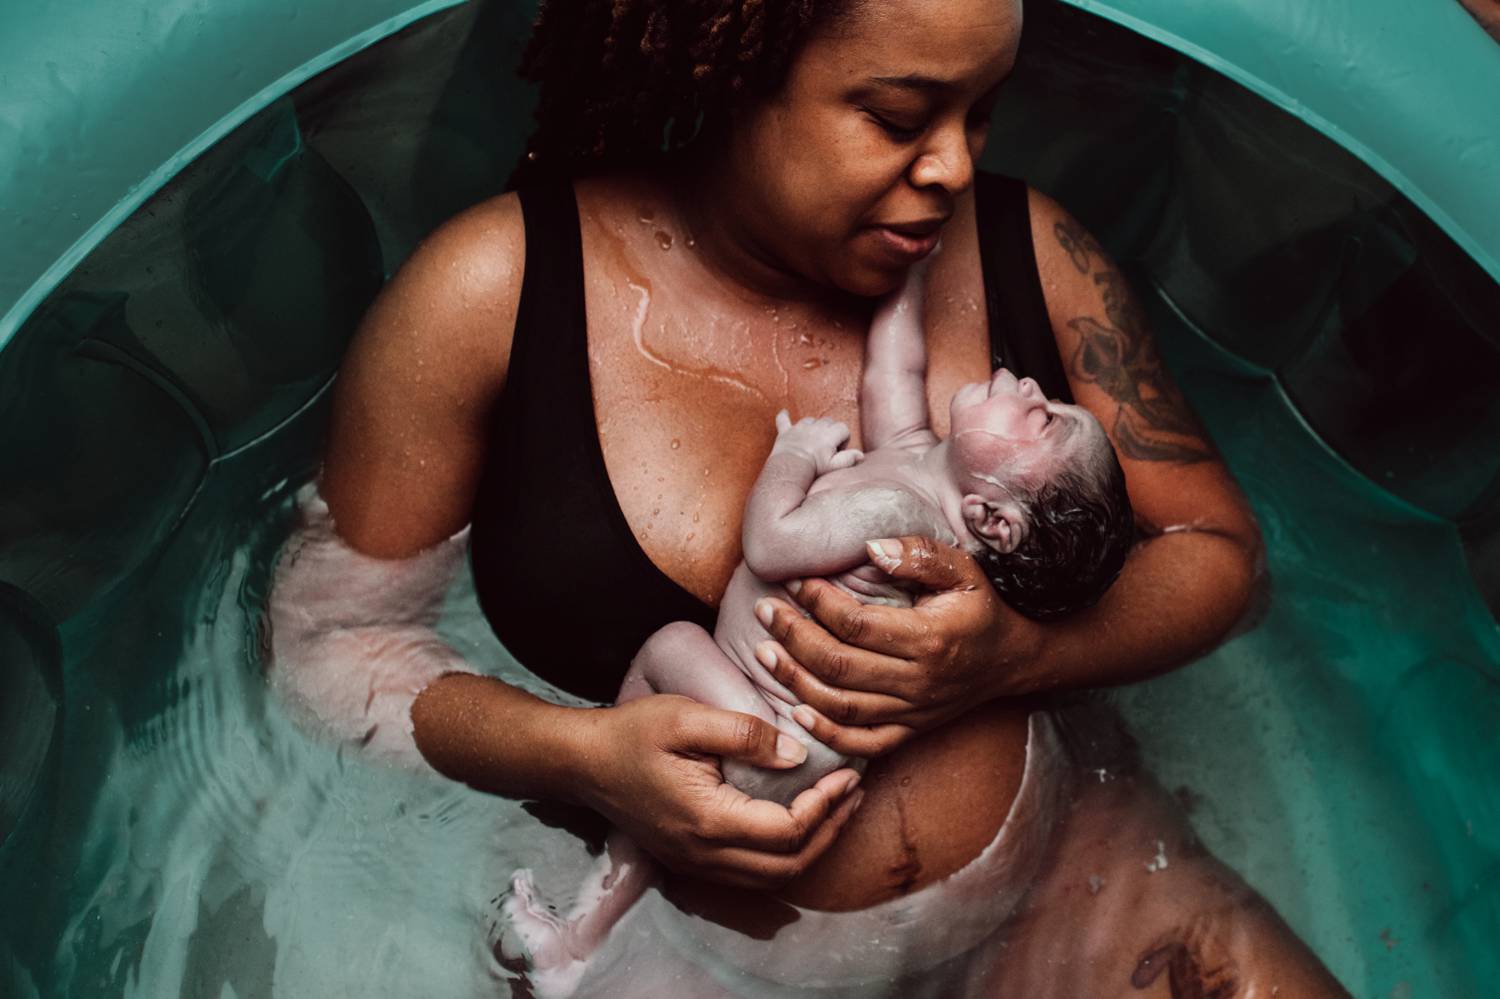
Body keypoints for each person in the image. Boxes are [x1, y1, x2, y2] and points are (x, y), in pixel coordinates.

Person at [270, 0, 1351, 993]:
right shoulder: (491, 297)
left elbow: (1220, 552)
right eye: (898, 115)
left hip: (1069, 875)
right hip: (685, 952)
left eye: (983, 113)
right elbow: (329, 645)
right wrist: (587, 761)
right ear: (723, 65)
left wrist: (1017, 658)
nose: (952, 169)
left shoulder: (1031, 251)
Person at [497, 258, 1133, 987]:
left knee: (668, 652)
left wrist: (793, 455)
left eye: (1044, 418)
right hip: (788, 751)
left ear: (994, 518)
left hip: (773, 740)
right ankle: (579, 940)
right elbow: (895, 367)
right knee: (657, 821)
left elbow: (771, 543)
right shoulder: (916, 466)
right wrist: (910, 271)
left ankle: (599, 817)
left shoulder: (902, 514)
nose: (1029, 387)